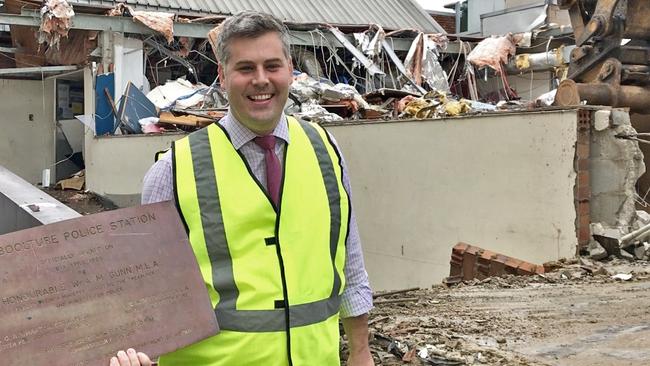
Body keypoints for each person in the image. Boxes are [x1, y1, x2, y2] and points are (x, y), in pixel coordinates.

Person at [111, 11, 373, 366]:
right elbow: (149, 294)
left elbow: (349, 260)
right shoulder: (172, 171)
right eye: (246, 68)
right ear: (222, 76)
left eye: (272, 66)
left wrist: (360, 351)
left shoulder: (325, 150)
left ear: (290, 70)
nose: (261, 80)